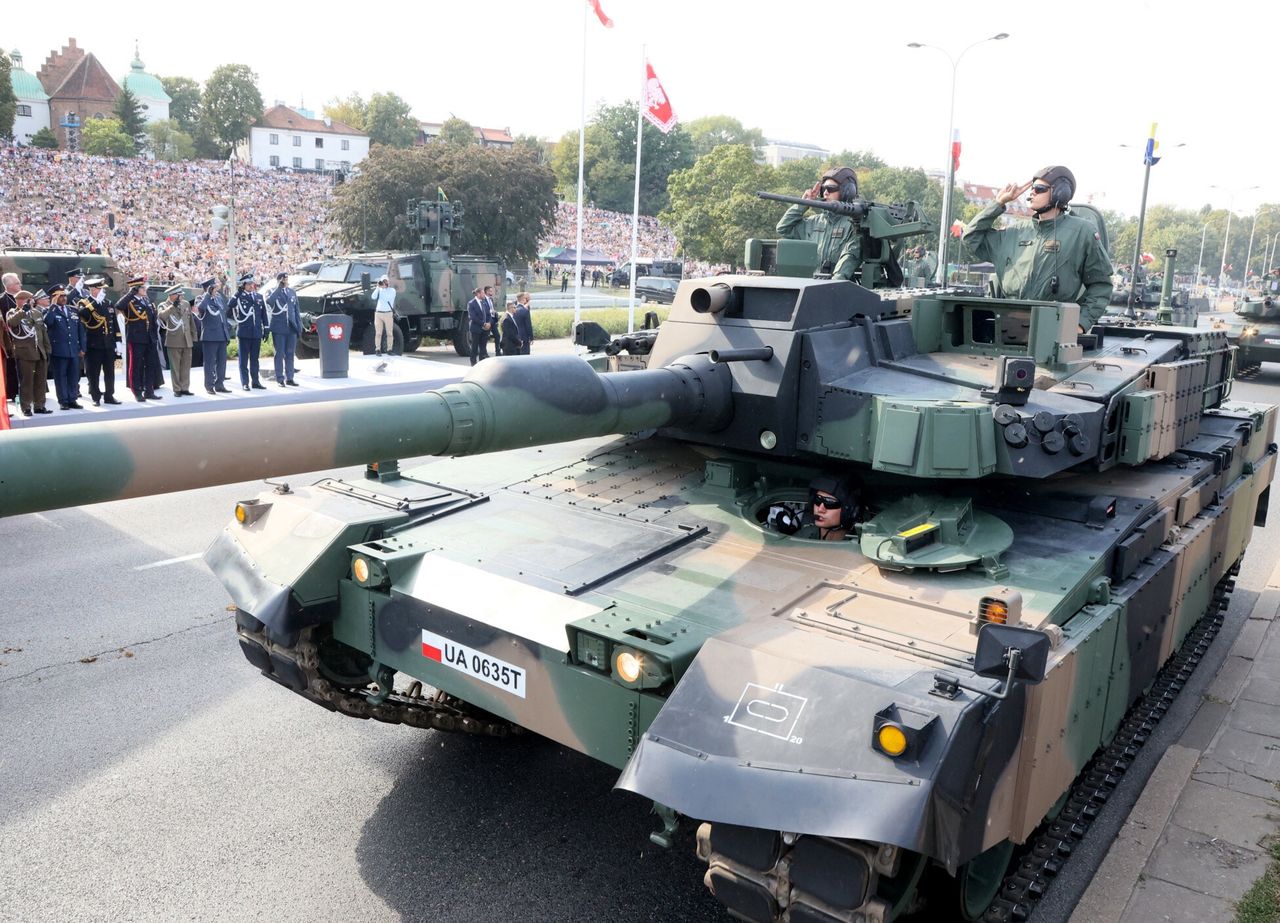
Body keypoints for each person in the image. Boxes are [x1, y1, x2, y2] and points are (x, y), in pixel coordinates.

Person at [961, 165, 1114, 330]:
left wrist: (1081, 324)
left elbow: (1101, 284)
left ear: (1060, 192)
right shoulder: (1014, 232)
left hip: (1053, 329)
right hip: (1007, 328)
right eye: (1032, 188)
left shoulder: (1082, 232)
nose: (1032, 192)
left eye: (1039, 189)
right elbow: (971, 237)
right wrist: (999, 203)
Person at [776, 166, 865, 280]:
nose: (826, 193)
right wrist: (803, 204)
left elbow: (850, 256)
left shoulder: (855, 225)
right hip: (811, 283)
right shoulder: (813, 222)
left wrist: (834, 284)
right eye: (823, 189)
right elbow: (783, 228)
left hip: (838, 286)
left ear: (847, 191)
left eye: (831, 188)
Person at [5, 289, 52, 415]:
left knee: (40, 381)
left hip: (39, 351)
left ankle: (39, 405)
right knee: (27, 381)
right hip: (25, 353)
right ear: (20, 301)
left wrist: (47, 350)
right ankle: (26, 407)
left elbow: (42, 332)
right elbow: (11, 323)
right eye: (28, 300)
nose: (31, 302)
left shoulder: (36, 313)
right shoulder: (13, 312)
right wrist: (22, 311)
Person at [115, 274, 161, 402]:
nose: (145, 289)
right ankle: (137, 391)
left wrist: (154, 337)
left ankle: (149, 390)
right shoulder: (130, 301)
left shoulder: (146, 300)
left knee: (150, 365)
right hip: (136, 339)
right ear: (136, 289)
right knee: (136, 366)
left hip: (149, 338)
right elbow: (118, 306)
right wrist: (131, 293)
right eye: (142, 288)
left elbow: (152, 320)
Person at [77, 277, 121, 406]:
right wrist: (96, 302)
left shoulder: (107, 303)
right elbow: (84, 316)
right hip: (93, 345)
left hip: (108, 344)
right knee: (93, 373)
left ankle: (109, 395)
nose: (103, 292)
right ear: (93, 290)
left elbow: (114, 323)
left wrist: (117, 340)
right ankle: (96, 397)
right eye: (100, 289)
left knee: (110, 372)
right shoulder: (84, 303)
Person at [44, 284, 86, 409]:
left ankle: (72, 399)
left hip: (73, 349)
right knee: (60, 376)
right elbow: (48, 323)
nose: (64, 298)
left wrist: (82, 348)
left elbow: (80, 331)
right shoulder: (49, 311)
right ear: (54, 297)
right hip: (59, 350)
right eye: (60, 296)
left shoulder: (73, 310)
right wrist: (52, 306)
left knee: (74, 375)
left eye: (65, 296)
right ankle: (63, 400)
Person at [792, 473, 861, 541]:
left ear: (851, 512)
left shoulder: (860, 545)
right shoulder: (804, 536)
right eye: (818, 500)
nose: (820, 509)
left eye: (830, 502)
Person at [194, 278, 233, 394]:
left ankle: (219, 384)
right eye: (213, 288)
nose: (216, 290)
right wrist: (207, 295)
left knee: (222, 362)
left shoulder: (219, 298)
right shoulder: (201, 299)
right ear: (208, 288)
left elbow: (223, 314)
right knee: (210, 362)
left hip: (221, 334)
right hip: (210, 336)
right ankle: (209, 385)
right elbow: (200, 309)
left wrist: (227, 333)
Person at [230, 273, 267, 390]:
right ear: (244, 285)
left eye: (252, 283)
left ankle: (255, 381)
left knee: (255, 359)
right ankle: (245, 382)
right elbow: (230, 305)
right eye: (249, 284)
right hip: (244, 332)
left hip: (256, 332)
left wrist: (266, 328)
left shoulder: (259, 297)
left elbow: (264, 315)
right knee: (243, 360)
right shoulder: (240, 297)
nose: (252, 286)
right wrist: (238, 292)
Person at [158, 285, 197, 396]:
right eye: (179, 295)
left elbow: (191, 322)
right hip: (173, 340)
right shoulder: (163, 305)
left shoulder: (185, 303)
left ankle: (185, 387)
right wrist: (172, 307)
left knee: (186, 366)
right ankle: (177, 389)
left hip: (186, 339)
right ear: (173, 295)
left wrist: (193, 336)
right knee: (175, 367)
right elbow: (161, 317)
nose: (181, 297)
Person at [266, 271, 302, 386]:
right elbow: (270, 302)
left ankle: (290, 377)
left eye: (286, 279)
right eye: (283, 280)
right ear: (279, 280)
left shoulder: (291, 292)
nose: (286, 281)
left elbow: (296, 310)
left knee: (290, 353)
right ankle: (280, 378)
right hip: (279, 326)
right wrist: (279, 288)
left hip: (291, 326)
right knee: (280, 353)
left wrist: (299, 326)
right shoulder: (272, 291)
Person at [371, 274, 397, 356]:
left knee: (389, 333)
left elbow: (387, 298)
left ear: (388, 282)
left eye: (386, 281)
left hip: (388, 313)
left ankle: (389, 349)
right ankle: (377, 349)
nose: (385, 283)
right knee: (378, 333)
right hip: (378, 313)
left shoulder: (392, 290)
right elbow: (373, 297)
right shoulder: (379, 289)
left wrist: (384, 288)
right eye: (383, 281)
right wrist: (377, 288)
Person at [466, 287, 490, 365]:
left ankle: (481, 363)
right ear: (478, 294)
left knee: (483, 347)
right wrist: (483, 324)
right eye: (483, 293)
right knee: (474, 347)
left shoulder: (484, 302)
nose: (484, 294)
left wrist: (488, 323)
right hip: (476, 328)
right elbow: (473, 317)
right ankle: (473, 363)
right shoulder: (471, 303)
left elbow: (488, 314)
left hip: (485, 329)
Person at [484, 285, 502, 356]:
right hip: (488, 320)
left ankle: (498, 351)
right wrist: (491, 311)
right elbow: (484, 309)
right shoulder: (483, 299)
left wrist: (495, 313)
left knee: (497, 336)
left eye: (492, 291)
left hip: (493, 320)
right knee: (485, 337)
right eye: (490, 291)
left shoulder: (491, 299)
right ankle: (484, 352)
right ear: (486, 292)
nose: (491, 292)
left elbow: (492, 308)